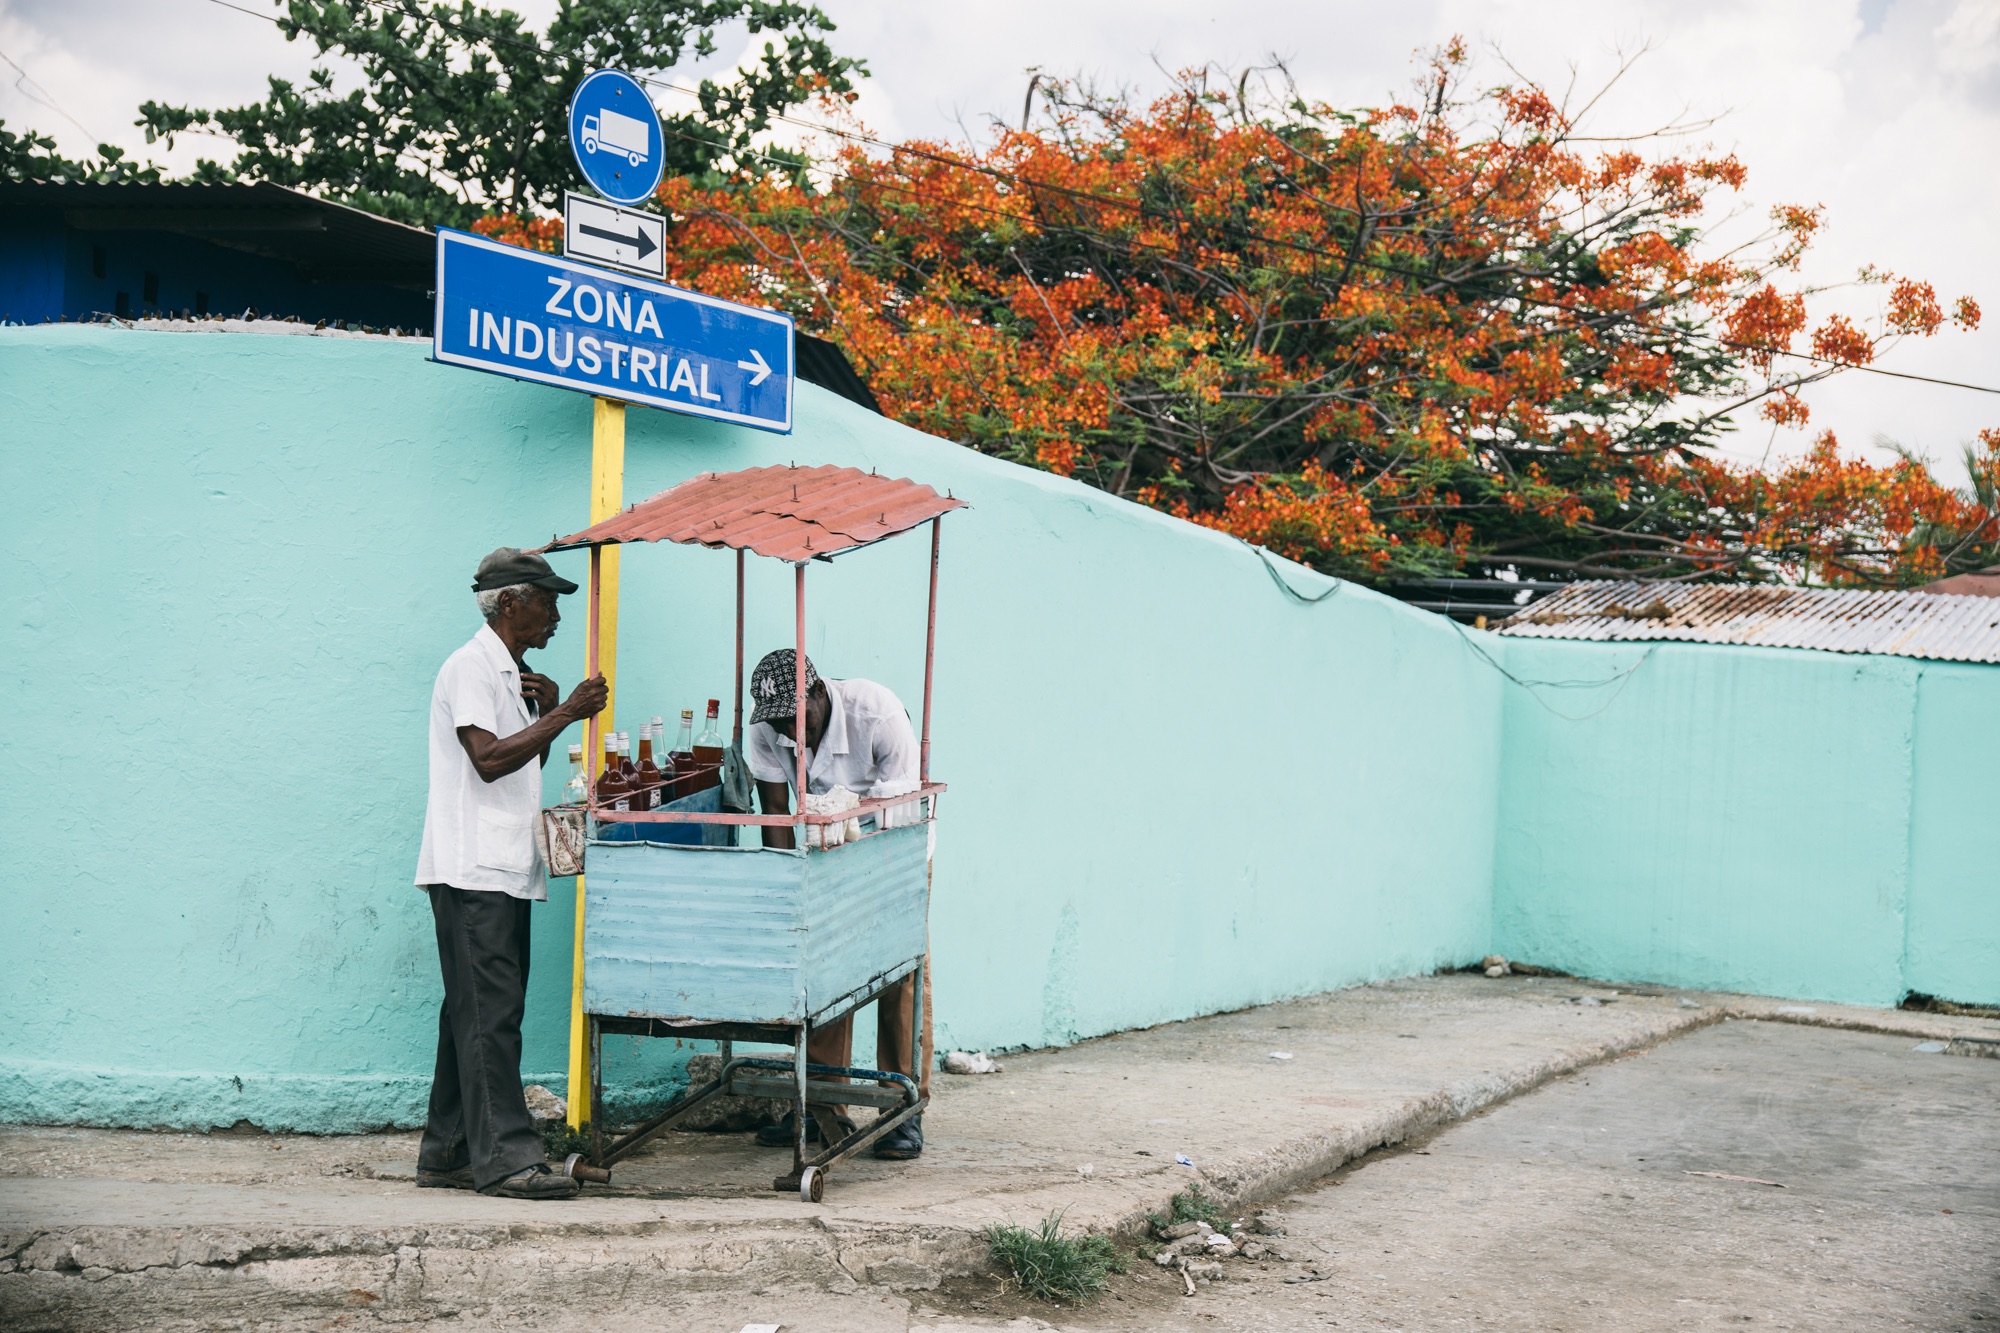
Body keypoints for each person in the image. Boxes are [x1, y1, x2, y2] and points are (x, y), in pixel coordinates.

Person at [414, 548, 607, 1199]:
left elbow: (520, 760)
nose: (556, 615)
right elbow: (489, 760)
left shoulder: (512, 674)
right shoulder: (471, 666)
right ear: (511, 603)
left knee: (472, 1011)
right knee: (489, 1014)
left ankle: (448, 1151)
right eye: (547, 601)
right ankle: (505, 1157)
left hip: (501, 868)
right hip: (473, 871)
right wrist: (566, 712)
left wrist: (546, 714)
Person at [744, 649, 932, 1161]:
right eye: (777, 719)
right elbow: (776, 814)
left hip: (891, 846)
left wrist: (854, 880)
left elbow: (899, 812)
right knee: (822, 971)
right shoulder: (767, 729)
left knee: (897, 975)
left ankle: (900, 1109)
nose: (786, 729)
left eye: (794, 715)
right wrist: (790, 888)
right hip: (818, 857)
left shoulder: (878, 712)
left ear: (819, 693)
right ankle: (822, 1108)